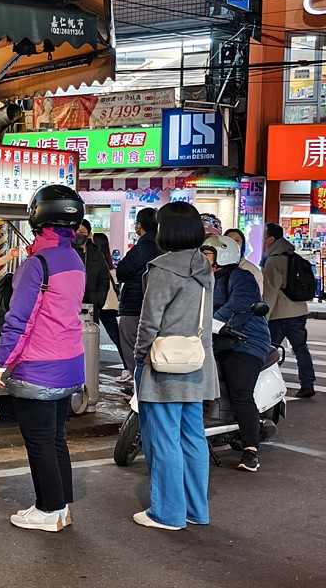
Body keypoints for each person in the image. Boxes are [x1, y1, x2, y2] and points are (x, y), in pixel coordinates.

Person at [0, 185, 86, 532]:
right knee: (56, 437)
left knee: (40, 441)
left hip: (38, 368)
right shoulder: (74, 259)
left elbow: (20, 319)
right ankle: (60, 508)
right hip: (70, 364)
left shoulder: (37, 264)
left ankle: (49, 509)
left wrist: (1, 363)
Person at [132, 201, 216, 530]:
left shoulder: (163, 268)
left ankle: (167, 513)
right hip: (196, 361)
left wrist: (140, 356)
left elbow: (149, 322)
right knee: (193, 436)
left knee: (163, 437)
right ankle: (196, 510)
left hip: (164, 363)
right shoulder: (204, 266)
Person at [201, 235, 272, 472]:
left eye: (208, 253)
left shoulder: (241, 276)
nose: (203, 258)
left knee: (241, 391)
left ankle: (250, 449)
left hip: (244, 340)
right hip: (212, 339)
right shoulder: (201, 278)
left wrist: (214, 322)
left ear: (224, 254)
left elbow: (241, 304)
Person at [262, 223, 316, 398]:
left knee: (270, 350)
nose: (263, 241)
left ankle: (268, 386)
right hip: (299, 311)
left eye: (264, 238)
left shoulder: (274, 260)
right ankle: (308, 383)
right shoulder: (291, 255)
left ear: (271, 239)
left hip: (280, 314)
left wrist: (263, 315)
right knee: (301, 348)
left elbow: (271, 291)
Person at [117, 207, 160, 378]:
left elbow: (122, 271)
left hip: (135, 306)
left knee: (132, 346)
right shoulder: (162, 247)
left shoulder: (142, 247)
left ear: (139, 226)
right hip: (154, 306)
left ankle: (139, 387)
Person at [93, 232, 127, 374]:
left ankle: (90, 364)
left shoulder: (95, 263)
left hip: (98, 303)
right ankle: (127, 365)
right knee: (116, 336)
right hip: (110, 304)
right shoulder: (111, 266)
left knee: (90, 335)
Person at [74, 219, 110, 323]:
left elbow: (104, 278)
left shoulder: (97, 254)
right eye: (75, 232)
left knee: (90, 336)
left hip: (91, 304)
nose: (78, 235)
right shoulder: (66, 253)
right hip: (69, 304)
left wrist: (97, 300)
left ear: (89, 234)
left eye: (81, 232)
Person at [225, 228, 264, 294]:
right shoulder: (215, 267)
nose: (233, 243)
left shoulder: (252, 270)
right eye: (229, 240)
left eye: (237, 240)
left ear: (243, 244)